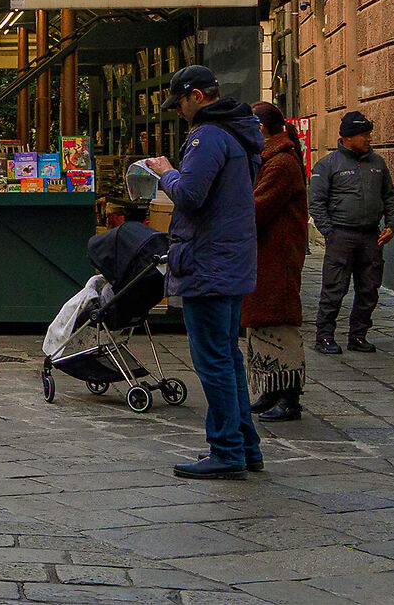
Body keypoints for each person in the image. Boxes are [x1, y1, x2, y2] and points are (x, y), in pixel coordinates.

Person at [141, 65, 263, 479]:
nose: (178, 112)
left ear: (195, 96)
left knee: (213, 360)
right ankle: (246, 446)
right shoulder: (238, 132)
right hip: (231, 260)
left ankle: (227, 450)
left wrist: (165, 172)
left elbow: (190, 195)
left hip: (207, 262)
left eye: (180, 103)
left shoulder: (207, 136)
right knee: (227, 357)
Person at [308, 110, 394, 354]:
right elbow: (316, 202)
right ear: (349, 137)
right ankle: (324, 336)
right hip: (341, 235)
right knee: (334, 288)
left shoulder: (377, 164)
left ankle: (358, 335)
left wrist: (392, 224)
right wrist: (329, 231)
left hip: (371, 236)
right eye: (365, 135)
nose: (370, 139)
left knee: (369, 289)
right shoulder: (328, 164)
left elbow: (390, 196)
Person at [246, 103, 311, 424]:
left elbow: (257, 208)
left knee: (279, 322)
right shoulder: (269, 159)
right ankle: (271, 389)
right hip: (266, 254)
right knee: (262, 320)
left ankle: (289, 396)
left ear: (259, 128)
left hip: (278, 255)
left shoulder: (281, 162)